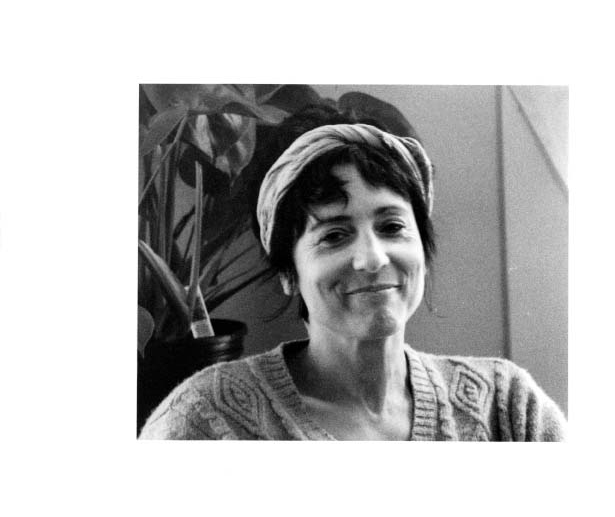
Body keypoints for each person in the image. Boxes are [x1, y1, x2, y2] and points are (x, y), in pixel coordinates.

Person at [140, 107, 567, 441]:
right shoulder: (203, 420)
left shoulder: (508, 408)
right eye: (334, 235)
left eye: (392, 227)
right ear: (288, 273)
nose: (373, 258)